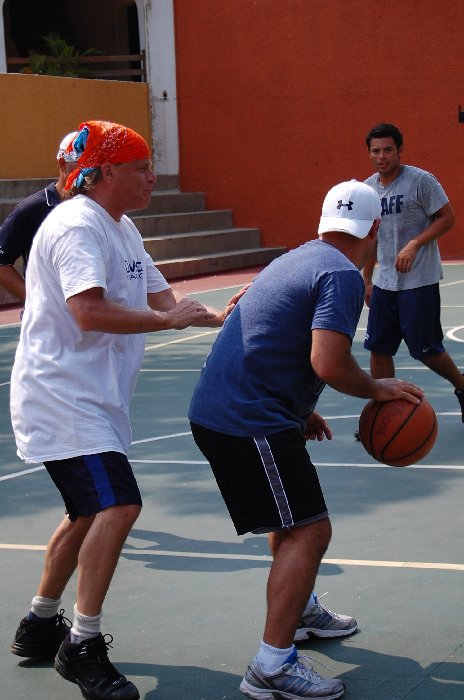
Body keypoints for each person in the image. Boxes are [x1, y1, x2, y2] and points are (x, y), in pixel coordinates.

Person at [9, 120, 231, 700]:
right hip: (62, 399)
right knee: (119, 504)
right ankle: (81, 644)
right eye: (141, 167)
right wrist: (167, 321)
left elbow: (167, 300)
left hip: (93, 399)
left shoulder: (122, 227)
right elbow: (89, 311)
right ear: (107, 172)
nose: (153, 176)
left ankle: (39, 623)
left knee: (86, 511)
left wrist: (226, 319)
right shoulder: (76, 225)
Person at [188, 179, 424, 700]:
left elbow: (269, 337)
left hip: (236, 410)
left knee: (292, 521)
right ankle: (271, 666)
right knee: (310, 532)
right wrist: (379, 388)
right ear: (376, 228)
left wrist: (299, 409)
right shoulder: (341, 274)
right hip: (246, 418)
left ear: (324, 221)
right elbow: (328, 362)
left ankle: (300, 611)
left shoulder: (297, 258)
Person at [363, 122, 464, 420]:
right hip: (385, 283)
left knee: (426, 349)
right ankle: (385, 410)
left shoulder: (421, 181)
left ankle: (462, 386)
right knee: (379, 348)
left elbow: (447, 218)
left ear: (399, 151)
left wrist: (415, 244)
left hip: (419, 280)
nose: (382, 156)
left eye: (388, 150)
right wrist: (367, 279)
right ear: (369, 153)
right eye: (376, 151)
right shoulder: (367, 190)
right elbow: (370, 238)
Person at [0, 131, 78, 304]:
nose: (90, 174)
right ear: (63, 164)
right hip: (48, 318)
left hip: (90, 313)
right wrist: (36, 302)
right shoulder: (32, 208)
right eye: (83, 165)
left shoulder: (100, 208)